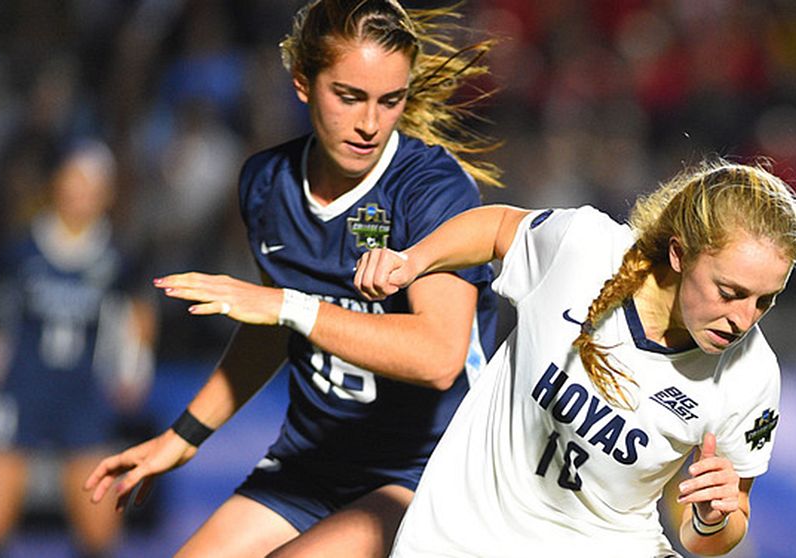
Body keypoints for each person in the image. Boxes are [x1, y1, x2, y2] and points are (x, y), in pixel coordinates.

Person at [84, 1, 500, 556]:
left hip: (425, 469)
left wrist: (289, 305)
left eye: (389, 100)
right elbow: (274, 328)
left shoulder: (431, 189)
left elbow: (438, 355)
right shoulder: (266, 183)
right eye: (349, 96)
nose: (370, 124)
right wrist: (184, 438)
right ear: (303, 83)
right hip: (314, 461)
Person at [354, 160, 796, 557]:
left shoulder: (753, 375)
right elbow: (499, 228)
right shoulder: (582, 249)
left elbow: (712, 535)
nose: (744, 319)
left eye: (766, 300)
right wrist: (414, 261)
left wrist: (712, 518)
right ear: (680, 254)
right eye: (730, 292)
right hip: (463, 541)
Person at [0, 139, 156, 558]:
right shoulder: (21, 247)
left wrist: (138, 363)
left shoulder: (117, 257)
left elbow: (140, 310)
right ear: (57, 184)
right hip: (20, 392)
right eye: (75, 181)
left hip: (82, 396)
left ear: (108, 193)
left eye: (94, 184)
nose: (83, 193)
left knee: (99, 533)